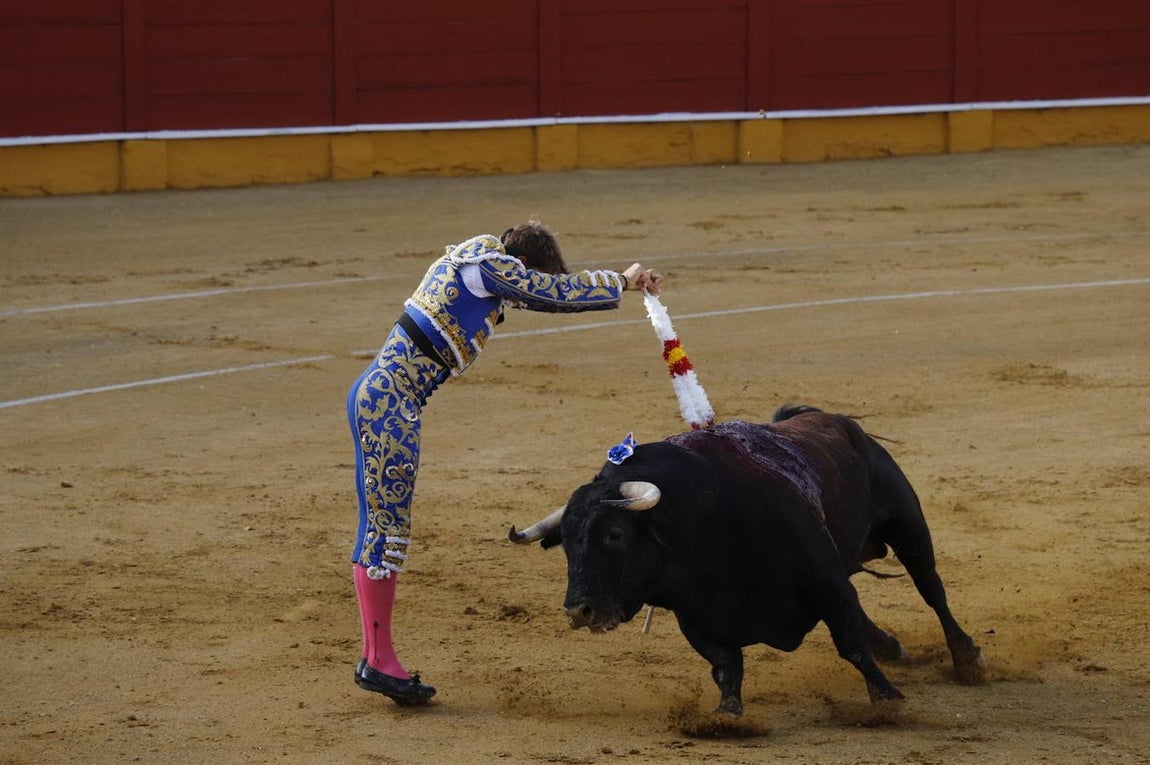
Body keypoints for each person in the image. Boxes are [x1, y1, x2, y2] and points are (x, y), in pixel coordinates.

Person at [348, 221, 663, 705]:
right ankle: (377, 661)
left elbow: (539, 293)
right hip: (390, 403)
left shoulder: (474, 267)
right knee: (386, 534)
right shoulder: (488, 263)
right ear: (524, 262)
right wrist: (621, 279)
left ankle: (377, 656)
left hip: (384, 399)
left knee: (382, 529)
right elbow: (554, 291)